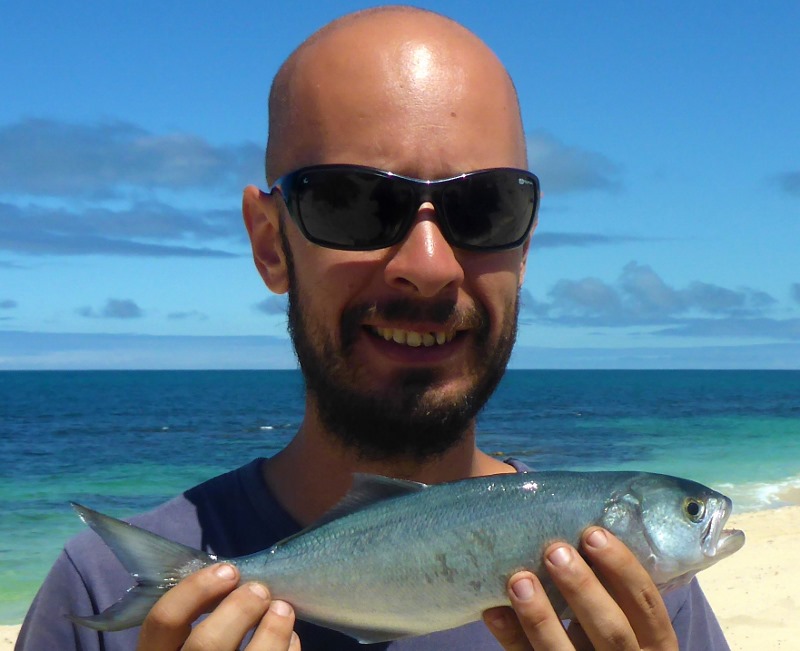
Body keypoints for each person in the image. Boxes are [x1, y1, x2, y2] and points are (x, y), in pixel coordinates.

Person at [17, 6, 730, 651]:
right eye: (351, 203)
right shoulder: (96, 588)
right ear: (270, 243)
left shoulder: (635, 607)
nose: (427, 265)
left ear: (526, 245)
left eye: (485, 208)